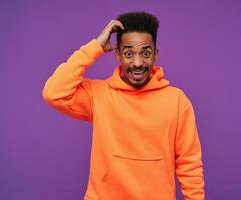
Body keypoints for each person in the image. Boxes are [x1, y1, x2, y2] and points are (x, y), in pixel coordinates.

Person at [42, 11, 204, 200]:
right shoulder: (99, 94)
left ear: (156, 55)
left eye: (145, 53)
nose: (137, 63)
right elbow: (53, 92)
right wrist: (94, 48)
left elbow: (189, 164)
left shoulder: (177, 101)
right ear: (118, 55)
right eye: (128, 53)